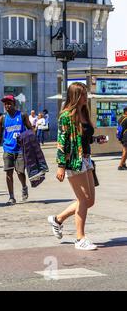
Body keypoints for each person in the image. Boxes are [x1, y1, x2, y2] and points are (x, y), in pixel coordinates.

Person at [48, 82, 108, 251]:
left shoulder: (84, 113)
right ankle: (80, 238)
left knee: (90, 200)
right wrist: (61, 166)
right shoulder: (66, 116)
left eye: (85, 93)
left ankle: (58, 219)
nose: (85, 96)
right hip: (73, 161)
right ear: (75, 96)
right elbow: (62, 142)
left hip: (86, 160)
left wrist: (97, 139)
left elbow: (84, 138)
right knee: (83, 199)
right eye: (82, 94)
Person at [0, 95, 32, 205]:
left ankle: (24, 187)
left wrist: (31, 144)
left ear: (14, 104)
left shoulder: (22, 115)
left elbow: (30, 129)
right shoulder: (3, 118)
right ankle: (11, 197)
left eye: (9, 103)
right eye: (5, 104)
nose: (7, 105)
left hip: (20, 149)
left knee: (20, 172)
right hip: (8, 149)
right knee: (8, 173)